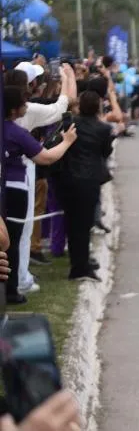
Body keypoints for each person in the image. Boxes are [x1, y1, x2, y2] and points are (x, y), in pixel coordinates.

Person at [3, 87, 77, 302]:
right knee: (11, 242)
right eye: (23, 104)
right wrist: (67, 141)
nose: (26, 107)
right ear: (13, 110)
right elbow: (46, 158)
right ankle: (11, 291)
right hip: (14, 190)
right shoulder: (16, 132)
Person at [55, 90, 115, 282]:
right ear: (98, 107)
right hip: (89, 181)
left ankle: (79, 263)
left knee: (72, 224)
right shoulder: (103, 129)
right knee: (84, 225)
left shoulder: (69, 123)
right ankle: (80, 267)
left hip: (67, 179)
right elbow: (105, 152)